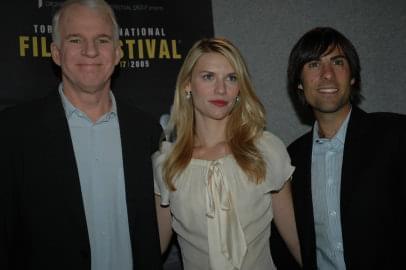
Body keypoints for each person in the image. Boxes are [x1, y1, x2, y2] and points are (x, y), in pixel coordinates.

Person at [0, 0, 162, 269]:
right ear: (56, 52)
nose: (90, 51)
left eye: (102, 40)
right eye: (76, 40)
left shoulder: (147, 132)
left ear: (118, 52)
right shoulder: (12, 133)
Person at [152, 37, 302, 270]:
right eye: (208, 76)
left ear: (240, 88)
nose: (221, 89)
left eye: (231, 78)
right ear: (187, 85)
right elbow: (153, 249)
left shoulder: (267, 150)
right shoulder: (166, 163)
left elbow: (296, 241)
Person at [271, 27, 406, 270]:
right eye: (313, 64)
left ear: (352, 76)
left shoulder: (396, 136)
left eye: (337, 61)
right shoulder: (290, 160)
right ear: (299, 84)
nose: (327, 74)